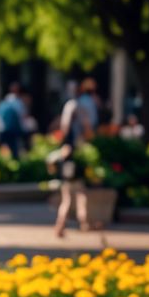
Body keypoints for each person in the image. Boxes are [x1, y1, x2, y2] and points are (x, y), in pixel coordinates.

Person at [52, 78, 100, 237]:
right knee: (79, 191)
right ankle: (82, 221)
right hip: (76, 153)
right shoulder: (80, 107)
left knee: (69, 193)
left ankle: (64, 223)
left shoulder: (69, 107)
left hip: (68, 153)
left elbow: (63, 130)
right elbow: (88, 130)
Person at [0, 82, 29, 159]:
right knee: (15, 152)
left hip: (1, 129)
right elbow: (23, 117)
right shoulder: (18, 102)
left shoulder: (4, 101)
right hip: (13, 131)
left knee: (0, 150)